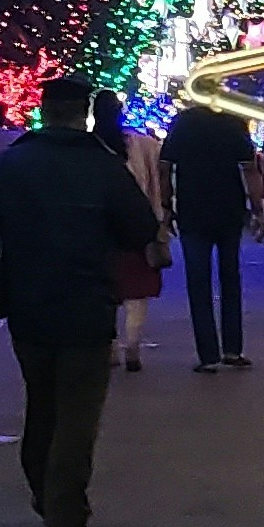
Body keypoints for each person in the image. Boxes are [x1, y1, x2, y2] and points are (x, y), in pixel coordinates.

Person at [0, 76, 158, 527]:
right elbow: (139, 226)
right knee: (78, 412)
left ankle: (45, 490)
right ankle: (66, 515)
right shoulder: (102, 166)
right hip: (88, 302)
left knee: (42, 401)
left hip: (27, 302)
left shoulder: (11, 164)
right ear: (83, 115)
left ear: (43, 112)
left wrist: (2, 258)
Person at [164, 89, 254, 374]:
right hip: (229, 210)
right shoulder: (233, 123)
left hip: (192, 210)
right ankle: (233, 349)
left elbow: (165, 166)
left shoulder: (183, 123)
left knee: (198, 281)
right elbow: (249, 168)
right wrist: (258, 209)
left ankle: (208, 354)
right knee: (231, 278)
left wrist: (166, 205)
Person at [93, 88, 167, 371]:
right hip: (138, 225)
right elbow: (158, 182)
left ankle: (110, 346)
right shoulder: (142, 145)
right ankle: (132, 346)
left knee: (106, 290)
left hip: (99, 229)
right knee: (136, 289)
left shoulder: (88, 147)